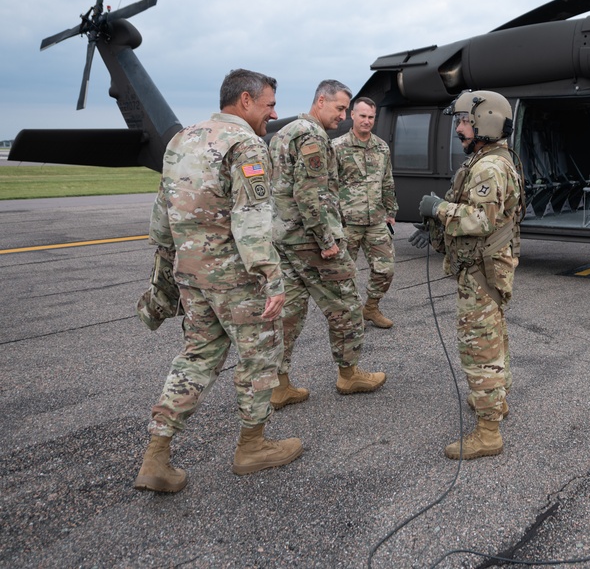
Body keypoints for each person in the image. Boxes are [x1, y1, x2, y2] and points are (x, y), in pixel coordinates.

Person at [134, 69, 301, 494]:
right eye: (268, 105)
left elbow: (161, 215)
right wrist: (271, 277)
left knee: (197, 357)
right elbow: (251, 219)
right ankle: (252, 447)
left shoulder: (182, 139)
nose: (273, 113)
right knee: (259, 356)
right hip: (235, 277)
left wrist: (169, 265)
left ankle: (157, 455)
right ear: (245, 101)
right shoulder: (245, 144)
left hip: (192, 273)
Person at [411, 89, 523, 460]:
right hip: (486, 267)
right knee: (494, 338)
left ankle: (488, 432)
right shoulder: (489, 159)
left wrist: (439, 208)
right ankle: (497, 403)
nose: (458, 129)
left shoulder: (489, 167)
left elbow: (478, 220)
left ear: (485, 123)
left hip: (481, 270)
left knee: (479, 348)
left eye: (464, 122)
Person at [269, 80, 385, 409]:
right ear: (320, 101)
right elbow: (311, 195)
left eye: (347, 110)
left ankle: (279, 385)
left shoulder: (284, 132)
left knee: (288, 312)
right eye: (339, 108)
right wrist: (327, 241)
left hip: (285, 237)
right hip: (311, 240)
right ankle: (349, 375)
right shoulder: (312, 136)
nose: (345, 116)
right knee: (347, 305)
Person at [331, 96, 399, 329]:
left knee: (385, 269)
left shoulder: (381, 147)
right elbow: (328, 186)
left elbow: (387, 181)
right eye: (363, 116)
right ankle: (349, 315)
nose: (367, 121)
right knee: (344, 274)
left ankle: (370, 307)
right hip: (347, 222)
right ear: (352, 115)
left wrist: (391, 210)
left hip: (376, 220)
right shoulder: (337, 147)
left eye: (371, 117)